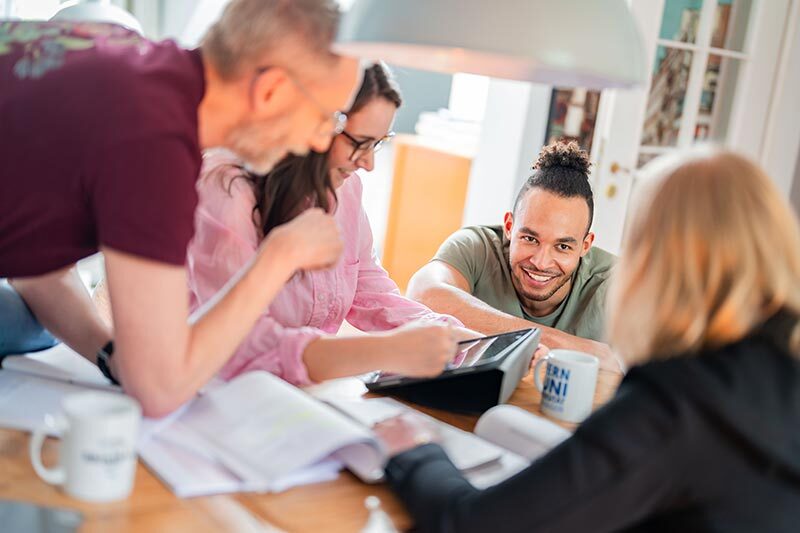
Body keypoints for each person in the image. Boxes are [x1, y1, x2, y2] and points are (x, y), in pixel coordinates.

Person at [377, 147, 800, 532]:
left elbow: (470, 524)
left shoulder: (676, 402)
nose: (542, 260)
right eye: (529, 238)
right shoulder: (776, 367)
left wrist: (415, 452)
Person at [0, 0, 361, 416]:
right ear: (271, 91)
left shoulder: (121, 52)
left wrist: (112, 355)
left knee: (32, 325)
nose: (320, 143)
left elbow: (35, 269)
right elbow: (159, 391)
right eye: (326, 117)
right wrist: (278, 257)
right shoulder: (153, 144)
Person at [187, 64, 465, 386]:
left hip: (296, 390)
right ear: (317, 122)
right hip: (212, 389)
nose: (369, 164)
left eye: (378, 143)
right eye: (359, 143)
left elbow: (366, 284)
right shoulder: (226, 191)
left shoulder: (345, 188)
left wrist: (447, 333)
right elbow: (245, 348)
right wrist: (385, 350)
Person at [407, 141, 618, 367]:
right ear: (509, 226)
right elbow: (423, 292)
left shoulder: (616, 281)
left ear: (585, 245)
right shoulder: (476, 246)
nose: (541, 262)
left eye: (563, 246)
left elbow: (633, 365)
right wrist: (552, 342)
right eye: (530, 239)